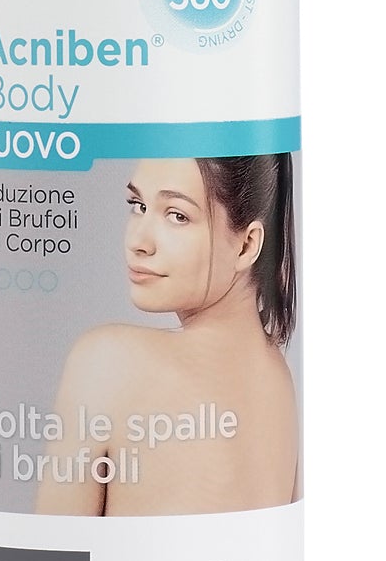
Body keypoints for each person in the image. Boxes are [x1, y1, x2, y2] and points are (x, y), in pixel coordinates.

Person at [36, 154, 300, 516]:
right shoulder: (278, 380)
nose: (138, 242)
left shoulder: (109, 363)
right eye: (138, 205)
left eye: (177, 215)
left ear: (246, 245)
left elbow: (50, 547)